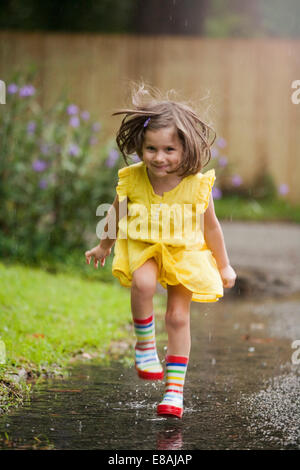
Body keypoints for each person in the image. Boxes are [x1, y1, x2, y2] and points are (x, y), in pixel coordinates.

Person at [85, 84, 237, 419]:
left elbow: (211, 227)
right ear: (140, 145)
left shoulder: (197, 183)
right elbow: (115, 213)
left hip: (184, 252)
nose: (159, 157)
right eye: (151, 148)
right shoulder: (133, 178)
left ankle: (174, 391)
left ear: (185, 147)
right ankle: (144, 345)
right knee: (142, 284)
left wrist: (224, 266)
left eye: (169, 149)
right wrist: (103, 245)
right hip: (143, 245)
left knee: (178, 318)